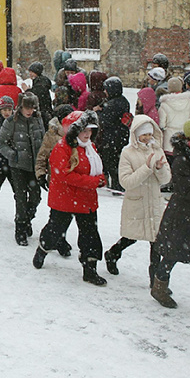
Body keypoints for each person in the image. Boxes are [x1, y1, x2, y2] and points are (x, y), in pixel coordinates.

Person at [33, 110, 108, 285]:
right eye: (84, 130)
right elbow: (64, 175)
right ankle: (43, 249)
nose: (87, 134)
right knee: (55, 231)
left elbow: (94, 169)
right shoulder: (61, 148)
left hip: (86, 200)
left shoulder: (90, 147)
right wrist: (93, 182)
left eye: (90, 130)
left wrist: (100, 179)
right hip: (64, 199)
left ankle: (90, 270)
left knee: (90, 235)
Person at [151, 118, 190, 309]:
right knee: (173, 253)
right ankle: (159, 286)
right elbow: (185, 189)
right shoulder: (182, 158)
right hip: (182, 214)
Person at [102, 116, 171, 281]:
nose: (147, 138)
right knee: (131, 237)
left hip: (154, 203)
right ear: (136, 134)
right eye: (143, 135)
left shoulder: (158, 150)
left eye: (149, 134)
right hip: (136, 203)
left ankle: (155, 279)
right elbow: (126, 182)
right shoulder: (128, 153)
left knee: (156, 241)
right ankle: (112, 254)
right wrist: (147, 168)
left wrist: (159, 169)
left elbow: (166, 179)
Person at [0, 92, 45, 245]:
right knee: (20, 197)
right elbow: (1, 142)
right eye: (26, 107)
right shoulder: (12, 121)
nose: (29, 110)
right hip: (18, 166)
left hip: (35, 166)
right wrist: (13, 154)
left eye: (32, 107)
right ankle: (20, 228)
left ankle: (27, 219)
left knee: (36, 196)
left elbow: (43, 140)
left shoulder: (38, 119)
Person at [97, 76, 130, 192]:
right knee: (119, 161)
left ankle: (116, 185)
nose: (105, 92)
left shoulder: (112, 104)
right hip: (122, 136)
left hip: (112, 137)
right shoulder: (123, 100)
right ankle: (119, 184)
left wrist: (99, 112)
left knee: (111, 162)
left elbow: (105, 121)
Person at [35, 104, 77, 191]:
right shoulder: (51, 135)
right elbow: (42, 155)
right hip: (56, 178)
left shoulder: (78, 134)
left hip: (75, 179)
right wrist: (41, 174)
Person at [158, 76, 190, 163]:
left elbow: (162, 124)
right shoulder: (188, 101)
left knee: (170, 162)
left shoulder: (164, 103)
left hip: (169, 136)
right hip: (184, 134)